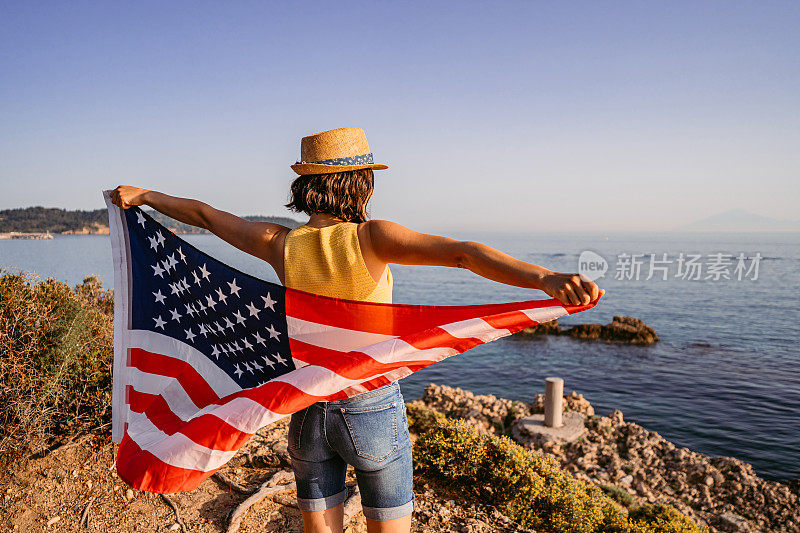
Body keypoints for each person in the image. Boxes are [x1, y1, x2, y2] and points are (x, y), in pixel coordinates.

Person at [110, 126, 602, 533]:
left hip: (307, 410)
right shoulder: (373, 236)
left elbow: (204, 216)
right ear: (360, 183)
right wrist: (545, 279)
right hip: (372, 411)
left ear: (308, 186)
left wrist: (147, 195)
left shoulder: (279, 243)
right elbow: (464, 254)